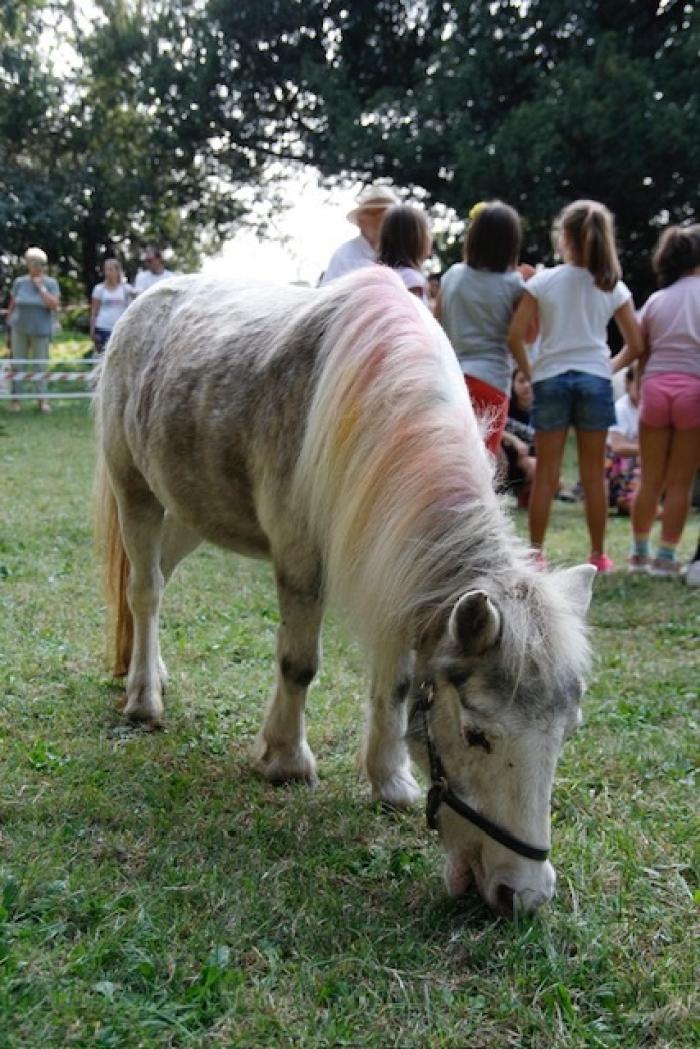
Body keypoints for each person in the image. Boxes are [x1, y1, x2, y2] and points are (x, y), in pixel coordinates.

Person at [508, 199, 643, 572]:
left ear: (564, 237)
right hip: (593, 381)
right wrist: (606, 367)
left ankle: (535, 554)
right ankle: (598, 555)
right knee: (592, 471)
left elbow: (515, 335)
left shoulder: (544, 281)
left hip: (551, 379)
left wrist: (531, 371)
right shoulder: (611, 286)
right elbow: (636, 344)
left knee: (547, 471)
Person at [627, 224, 700, 576]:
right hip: (693, 391)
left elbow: (641, 347)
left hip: (655, 388)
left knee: (650, 479)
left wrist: (639, 384)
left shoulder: (657, 300)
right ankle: (666, 558)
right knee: (680, 482)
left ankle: (639, 554)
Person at [436, 200, 531, 455]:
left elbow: (436, 326)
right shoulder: (515, 286)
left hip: (450, 377)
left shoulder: (452, 276)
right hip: (492, 380)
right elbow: (530, 334)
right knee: (482, 462)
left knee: (447, 459)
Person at [6, 246, 61, 413]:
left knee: (40, 366)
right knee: (18, 365)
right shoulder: (19, 282)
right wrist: (8, 326)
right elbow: (12, 306)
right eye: (34, 263)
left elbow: (54, 304)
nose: (37, 267)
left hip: (41, 330)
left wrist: (41, 288)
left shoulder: (51, 283)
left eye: (41, 264)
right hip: (19, 328)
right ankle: (16, 400)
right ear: (28, 264)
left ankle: (42, 401)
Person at [320, 184, 399, 284]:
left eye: (385, 214)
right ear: (360, 219)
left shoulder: (402, 252)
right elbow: (329, 293)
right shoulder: (345, 254)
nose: (380, 220)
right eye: (373, 214)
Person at [377, 204, 431, 300]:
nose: (430, 238)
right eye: (427, 232)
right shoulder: (412, 280)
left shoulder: (380, 275)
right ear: (416, 239)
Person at [606, 366, 641, 516]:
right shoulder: (621, 408)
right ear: (627, 383)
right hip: (617, 471)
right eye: (639, 384)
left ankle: (632, 500)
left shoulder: (654, 408)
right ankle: (625, 499)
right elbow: (617, 447)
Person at [89, 258, 133, 354]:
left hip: (120, 328)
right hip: (103, 327)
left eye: (110, 269)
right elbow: (94, 312)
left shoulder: (126, 289)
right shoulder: (99, 289)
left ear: (117, 271)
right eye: (106, 270)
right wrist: (92, 331)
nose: (108, 273)